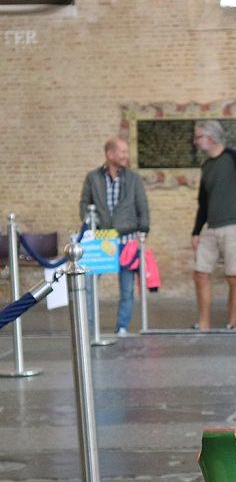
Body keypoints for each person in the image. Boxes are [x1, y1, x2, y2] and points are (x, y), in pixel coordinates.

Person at [191, 120, 236, 330]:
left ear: (210, 138)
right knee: (200, 273)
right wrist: (196, 231)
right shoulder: (206, 166)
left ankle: (232, 323)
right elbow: (203, 203)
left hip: (235, 227)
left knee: (233, 276)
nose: (195, 142)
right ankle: (203, 323)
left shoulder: (235, 159)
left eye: (198, 137)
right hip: (211, 228)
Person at [79, 136, 150, 336]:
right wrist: (88, 222)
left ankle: (122, 326)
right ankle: (90, 327)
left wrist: (144, 227)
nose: (126, 156)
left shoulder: (133, 178)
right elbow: (84, 202)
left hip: (126, 239)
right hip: (101, 239)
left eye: (126, 152)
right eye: (122, 152)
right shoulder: (93, 177)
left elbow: (141, 204)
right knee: (90, 284)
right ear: (110, 154)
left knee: (126, 287)